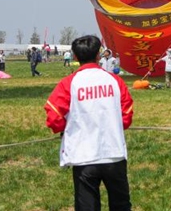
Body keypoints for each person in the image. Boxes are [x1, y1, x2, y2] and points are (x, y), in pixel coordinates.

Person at [44, 35, 134, 211]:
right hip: (113, 153)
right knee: (121, 204)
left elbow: (53, 118)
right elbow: (127, 115)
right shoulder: (115, 81)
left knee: (87, 206)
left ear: (75, 57)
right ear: (99, 55)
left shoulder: (68, 84)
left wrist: (65, 128)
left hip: (83, 155)